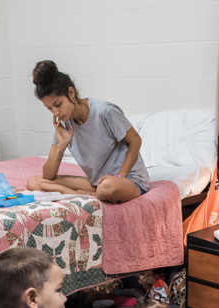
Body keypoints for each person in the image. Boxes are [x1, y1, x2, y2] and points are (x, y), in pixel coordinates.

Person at [25, 59, 150, 204]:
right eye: (49, 109)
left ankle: (82, 194)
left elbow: (135, 140)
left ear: (71, 93)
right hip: (97, 182)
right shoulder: (64, 124)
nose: (56, 113)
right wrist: (61, 147)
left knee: (106, 188)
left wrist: (120, 176)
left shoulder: (105, 111)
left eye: (58, 105)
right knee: (34, 182)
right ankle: (85, 194)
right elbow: (48, 175)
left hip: (128, 180)